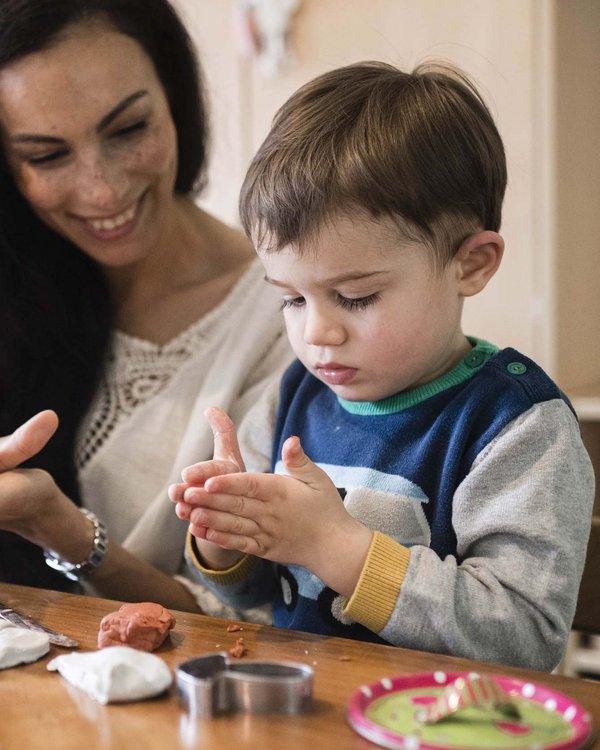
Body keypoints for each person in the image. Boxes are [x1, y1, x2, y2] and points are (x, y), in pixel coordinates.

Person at [170, 61, 595, 669]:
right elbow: (260, 598)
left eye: (356, 297)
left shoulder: (517, 426)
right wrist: (227, 542)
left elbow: (523, 640)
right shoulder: (294, 397)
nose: (317, 333)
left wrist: (335, 545)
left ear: (470, 264)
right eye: (292, 298)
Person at [0, 0, 291, 617]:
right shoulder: (20, 279)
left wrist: (62, 530)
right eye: (47, 156)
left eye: (128, 129)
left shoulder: (290, 317)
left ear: (175, 100)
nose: (102, 190)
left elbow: (254, 622)